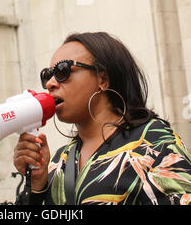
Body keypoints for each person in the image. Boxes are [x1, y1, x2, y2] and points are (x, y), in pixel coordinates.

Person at [13, 32, 191, 205]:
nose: (50, 83)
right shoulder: (59, 160)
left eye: (62, 70)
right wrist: (36, 186)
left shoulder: (154, 145)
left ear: (103, 79)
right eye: (47, 75)